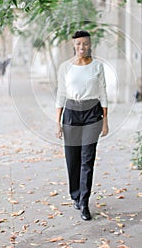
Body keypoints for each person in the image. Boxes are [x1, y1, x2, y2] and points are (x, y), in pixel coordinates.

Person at [55, 30, 109, 221]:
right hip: (71, 113)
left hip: (92, 114)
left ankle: (84, 202)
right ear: (74, 45)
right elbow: (61, 93)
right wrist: (58, 123)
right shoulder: (65, 67)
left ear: (89, 44)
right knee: (72, 158)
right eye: (78, 44)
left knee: (87, 158)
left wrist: (105, 121)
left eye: (85, 43)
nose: (81, 47)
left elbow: (103, 92)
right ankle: (75, 195)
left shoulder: (97, 66)